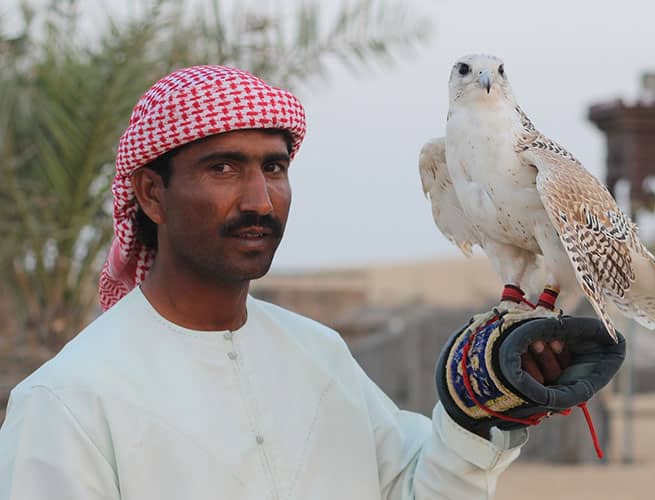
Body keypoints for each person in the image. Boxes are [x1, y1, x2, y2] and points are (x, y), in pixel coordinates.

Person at [0, 65, 575, 499]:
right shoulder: (68, 401)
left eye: (273, 168)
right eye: (223, 167)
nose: (258, 199)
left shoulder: (319, 353)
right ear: (152, 194)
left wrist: (480, 411)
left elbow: (415, 487)